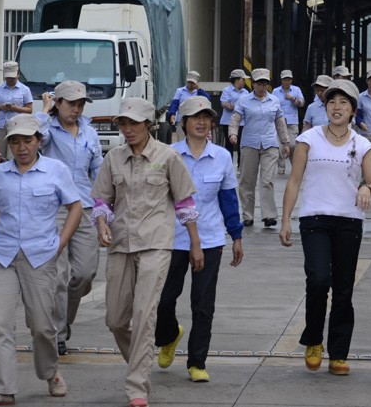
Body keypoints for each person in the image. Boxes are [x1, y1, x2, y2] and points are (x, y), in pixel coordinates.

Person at [93, 97, 202, 407]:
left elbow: (185, 204)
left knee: (144, 314)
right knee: (115, 319)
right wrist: (102, 224)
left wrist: (195, 244)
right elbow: (102, 201)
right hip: (120, 244)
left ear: (149, 125)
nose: (127, 129)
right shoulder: (113, 158)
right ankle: (141, 361)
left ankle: (137, 386)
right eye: (123, 124)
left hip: (156, 244)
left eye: (133, 123)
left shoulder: (167, 157)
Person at [0, 114, 83, 407]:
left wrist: (60, 243)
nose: (21, 147)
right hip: (0, 256)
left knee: (41, 325)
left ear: (39, 141)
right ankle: (4, 389)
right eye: (15, 141)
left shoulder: (55, 171)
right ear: (8, 144)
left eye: (27, 140)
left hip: (40, 257)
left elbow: (75, 206)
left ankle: (50, 373)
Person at [279, 80, 371, 377]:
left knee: (344, 290)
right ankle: (313, 340)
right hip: (314, 219)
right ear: (326, 108)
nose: (337, 107)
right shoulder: (308, 138)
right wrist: (286, 219)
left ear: (353, 111)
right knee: (319, 279)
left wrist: (366, 187)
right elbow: (294, 180)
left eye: (344, 103)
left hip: (349, 221)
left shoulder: (362, 144)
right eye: (332, 102)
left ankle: (338, 353)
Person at [154, 96, 244, 383]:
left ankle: (197, 362)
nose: (202, 122)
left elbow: (229, 200)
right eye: (195, 117)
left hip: (210, 239)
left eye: (206, 117)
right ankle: (169, 335)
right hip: (172, 239)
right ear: (183, 123)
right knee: (163, 301)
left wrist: (237, 236)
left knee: (202, 304)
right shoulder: (168, 155)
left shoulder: (222, 157)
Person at [36, 80, 103, 356]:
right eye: (71, 103)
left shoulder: (89, 132)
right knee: (59, 275)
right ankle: (59, 332)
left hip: (85, 207)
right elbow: (34, 140)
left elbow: (99, 172)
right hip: (56, 209)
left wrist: (104, 212)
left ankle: (63, 320)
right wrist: (43, 111)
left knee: (85, 273)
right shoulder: (48, 130)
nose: (76, 109)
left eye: (80, 104)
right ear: (58, 103)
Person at [229, 68, 290, 228]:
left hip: (270, 144)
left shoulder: (274, 101)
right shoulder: (244, 100)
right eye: (258, 83)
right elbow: (235, 119)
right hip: (250, 144)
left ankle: (269, 215)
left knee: (267, 181)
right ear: (253, 84)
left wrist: (285, 142)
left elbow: (280, 122)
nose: (262, 87)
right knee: (247, 181)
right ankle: (248, 215)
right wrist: (233, 134)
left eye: (265, 84)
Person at [0, 61, 34, 159]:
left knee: (13, 154)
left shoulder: (24, 89)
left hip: (16, 126)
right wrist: (0, 107)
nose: (10, 80)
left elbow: (29, 110)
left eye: (12, 78)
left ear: (17, 75)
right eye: (8, 78)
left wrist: (15, 108)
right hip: (0, 126)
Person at [272, 69, 306, 175]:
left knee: (292, 145)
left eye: (289, 79)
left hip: (292, 122)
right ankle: (281, 165)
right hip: (279, 121)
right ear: (281, 80)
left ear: (291, 80)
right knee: (279, 145)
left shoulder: (296, 90)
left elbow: (302, 103)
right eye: (285, 79)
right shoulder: (275, 91)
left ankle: (294, 165)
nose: (287, 82)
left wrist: (293, 99)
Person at [167, 70, 209, 141]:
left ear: (196, 83)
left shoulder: (200, 92)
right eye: (189, 82)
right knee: (181, 140)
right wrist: (172, 114)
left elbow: (207, 99)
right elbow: (174, 103)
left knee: (194, 140)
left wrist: (198, 89)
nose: (190, 84)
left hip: (195, 120)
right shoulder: (180, 91)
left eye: (192, 83)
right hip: (181, 120)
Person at [220, 69, 249, 162]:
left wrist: (235, 106)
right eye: (242, 79)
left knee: (242, 144)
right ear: (236, 80)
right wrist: (239, 107)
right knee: (229, 144)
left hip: (242, 122)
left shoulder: (246, 92)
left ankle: (241, 165)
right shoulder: (227, 90)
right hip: (227, 122)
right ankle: (228, 165)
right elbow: (225, 104)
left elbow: (248, 106)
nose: (244, 81)